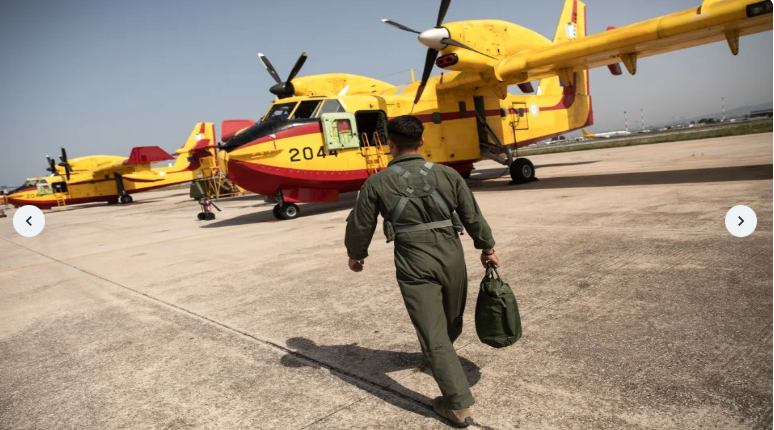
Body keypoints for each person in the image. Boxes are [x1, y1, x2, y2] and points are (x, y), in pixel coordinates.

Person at [344, 115, 499, 427]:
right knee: (449, 322)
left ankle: (455, 404)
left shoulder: (376, 183)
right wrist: (487, 248)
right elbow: (471, 213)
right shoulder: (447, 175)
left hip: (414, 259)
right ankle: (449, 376)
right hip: (451, 254)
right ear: (422, 142)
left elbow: (361, 224)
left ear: (390, 144)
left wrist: (356, 255)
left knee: (435, 331)